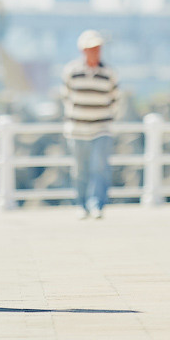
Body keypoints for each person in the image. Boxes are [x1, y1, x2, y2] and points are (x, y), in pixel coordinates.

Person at [61, 30, 120, 219]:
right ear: (83, 50)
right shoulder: (71, 72)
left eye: (98, 48)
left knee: (100, 168)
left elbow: (116, 100)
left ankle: (97, 205)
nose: (96, 51)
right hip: (77, 129)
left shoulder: (109, 73)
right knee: (80, 169)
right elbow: (65, 97)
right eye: (92, 48)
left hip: (101, 128)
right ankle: (81, 205)